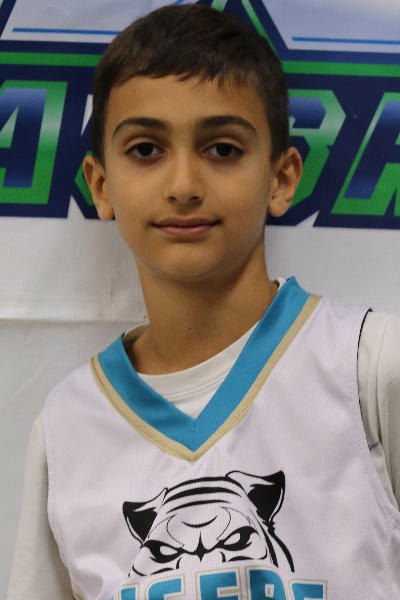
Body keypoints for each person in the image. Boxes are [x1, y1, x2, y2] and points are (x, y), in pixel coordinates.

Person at [7, 4, 400, 600]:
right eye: (146, 149)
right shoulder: (67, 427)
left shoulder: (369, 368)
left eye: (222, 149)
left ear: (281, 178)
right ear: (101, 185)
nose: (184, 186)